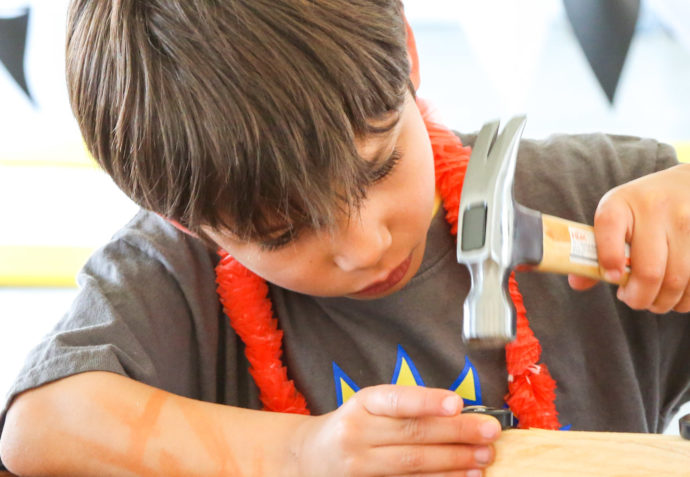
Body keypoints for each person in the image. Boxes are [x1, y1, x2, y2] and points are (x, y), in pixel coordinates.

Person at [1, 0, 689, 475]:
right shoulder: (175, 275)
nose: (364, 245)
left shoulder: (602, 191)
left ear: (409, 57)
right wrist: (301, 453)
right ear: (186, 218)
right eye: (282, 229)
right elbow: (40, 427)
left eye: (381, 164)